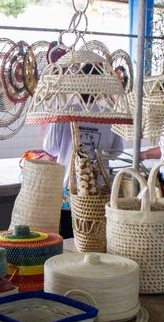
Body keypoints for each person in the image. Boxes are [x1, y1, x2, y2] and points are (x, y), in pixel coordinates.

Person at [42, 64, 124, 238]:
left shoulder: (65, 112)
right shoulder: (109, 115)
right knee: (97, 239)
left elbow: (50, 147)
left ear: (77, 84)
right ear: (101, 87)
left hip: (69, 191)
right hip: (99, 190)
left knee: (70, 239)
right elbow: (117, 151)